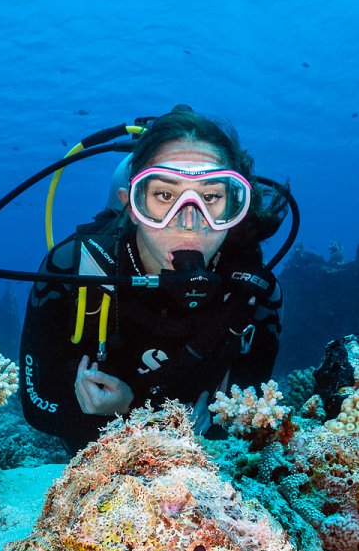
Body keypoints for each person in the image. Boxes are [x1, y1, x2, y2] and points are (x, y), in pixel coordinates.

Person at [19, 105, 288, 452]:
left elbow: (246, 418)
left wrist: (214, 432)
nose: (189, 221)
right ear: (131, 205)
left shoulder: (254, 294)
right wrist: (112, 414)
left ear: (235, 208)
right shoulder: (72, 270)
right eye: (164, 195)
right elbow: (37, 409)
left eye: (210, 197)